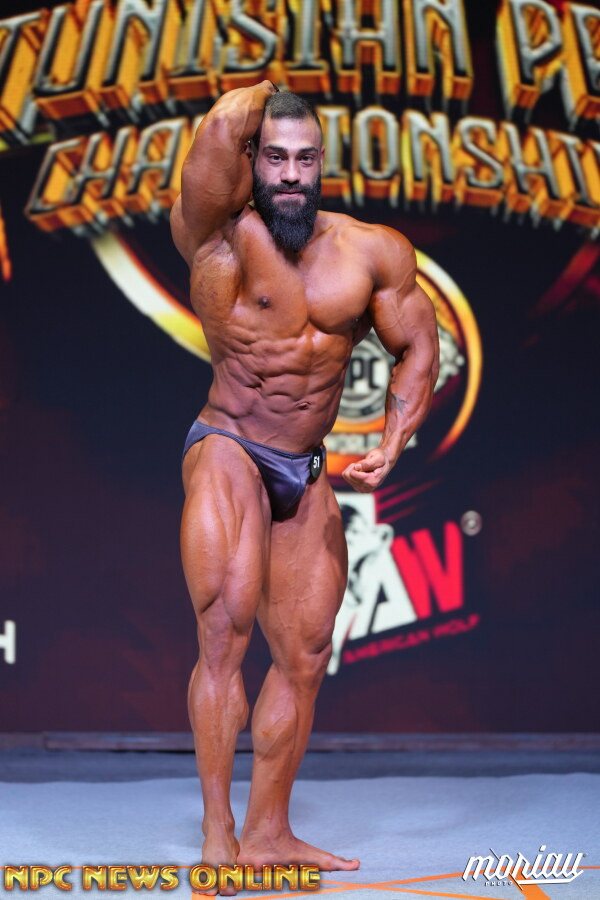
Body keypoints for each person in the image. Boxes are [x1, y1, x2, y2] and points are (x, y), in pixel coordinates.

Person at [170, 80, 440, 889]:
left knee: (307, 654)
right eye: (276, 158)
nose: (291, 174)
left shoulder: (372, 253)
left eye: (305, 159)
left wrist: (393, 439)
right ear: (254, 161)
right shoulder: (217, 237)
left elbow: (418, 346)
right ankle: (218, 829)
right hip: (230, 447)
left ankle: (267, 830)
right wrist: (270, 90)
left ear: (323, 163)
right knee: (225, 631)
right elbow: (218, 132)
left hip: (306, 463)